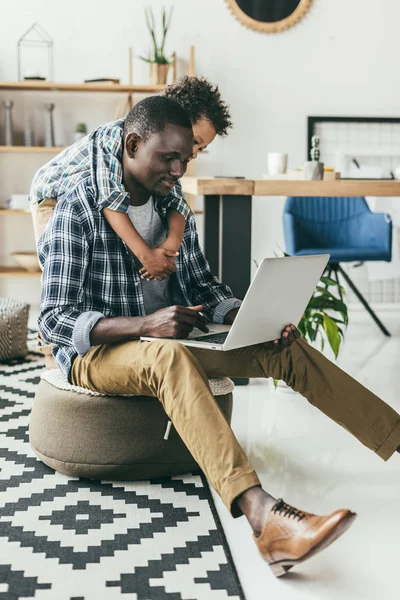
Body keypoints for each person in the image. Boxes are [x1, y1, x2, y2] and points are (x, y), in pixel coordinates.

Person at [36, 96, 400, 578]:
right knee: (168, 359)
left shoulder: (173, 211)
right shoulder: (78, 207)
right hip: (103, 350)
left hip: (170, 341)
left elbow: (206, 287)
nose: (179, 168)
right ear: (132, 143)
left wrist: (250, 316)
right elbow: (54, 320)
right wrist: (147, 325)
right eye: (169, 157)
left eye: (185, 158)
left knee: (281, 347)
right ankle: (266, 519)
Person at [30, 75, 232, 282]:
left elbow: (177, 202)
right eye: (195, 141)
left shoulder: (170, 160)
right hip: (51, 195)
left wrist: (171, 245)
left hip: (95, 197)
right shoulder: (112, 137)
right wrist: (146, 256)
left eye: (202, 148)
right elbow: (110, 200)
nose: (194, 152)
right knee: (61, 267)